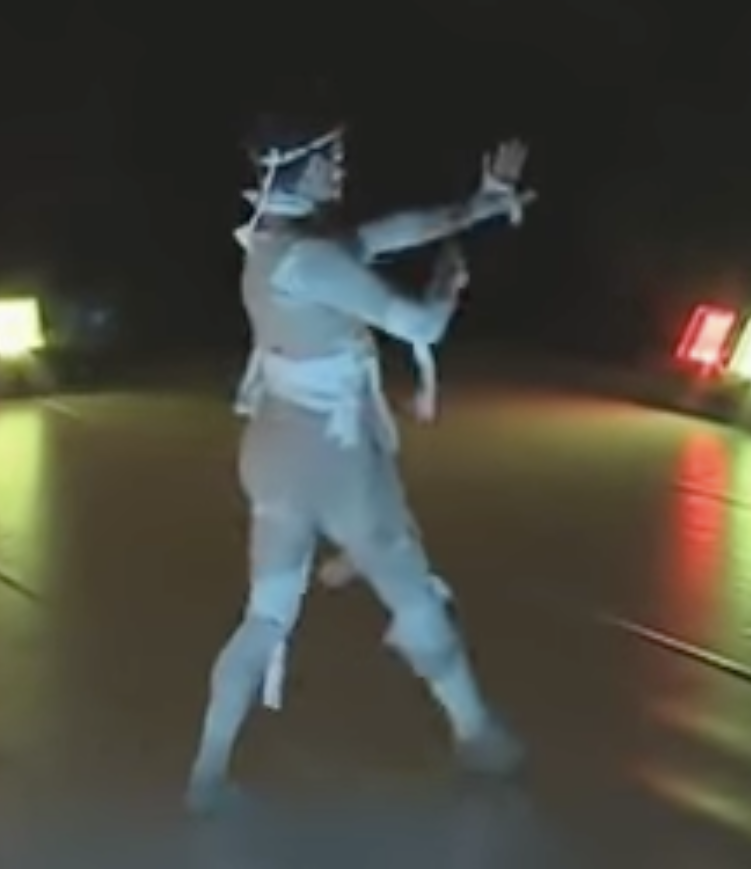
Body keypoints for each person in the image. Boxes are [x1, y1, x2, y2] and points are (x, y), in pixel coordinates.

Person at [185, 114, 532, 813]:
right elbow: (421, 326)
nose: (340, 169)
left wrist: (475, 208)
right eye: (329, 158)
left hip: (276, 455)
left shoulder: (275, 246)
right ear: (297, 167)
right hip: (335, 461)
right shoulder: (312, 260)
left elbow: (390, 231)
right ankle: (475, 733)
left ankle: (208, 773)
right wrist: (447, 282)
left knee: (267, 615)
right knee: (411, 590)